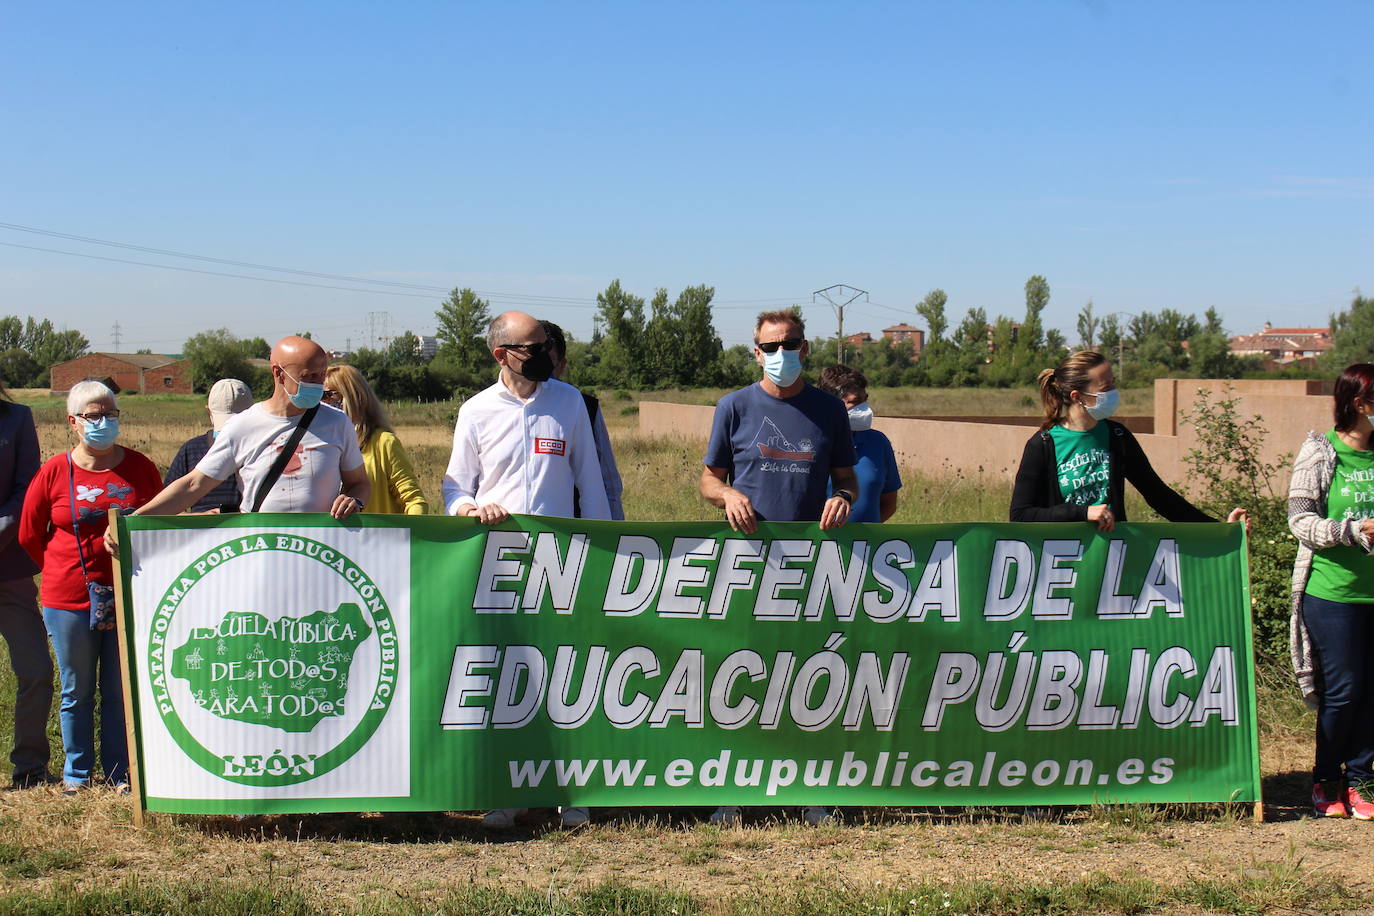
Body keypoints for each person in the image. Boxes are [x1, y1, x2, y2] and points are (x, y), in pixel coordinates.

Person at [442, 311, 609, 828]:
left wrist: (604, 548)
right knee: (508, 678)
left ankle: (574, 796)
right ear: (502, 355)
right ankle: (505, 794)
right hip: (500, 562)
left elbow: (591, 482)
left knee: (568, 676)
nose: (545, 354)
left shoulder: (570, 403)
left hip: (563, 561)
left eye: (545, 345)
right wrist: (467, 509)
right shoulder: (475, 411)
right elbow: (455, 486)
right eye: (531, 347)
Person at [700, 308, 858, 826]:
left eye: (789, 345)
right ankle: (733, 789)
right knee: (741, 675)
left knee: (810, 676)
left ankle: (814, 790)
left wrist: (845, 499)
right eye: (770, 347)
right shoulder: (734, 406)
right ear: (755, 350)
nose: (780, 356)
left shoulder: (829, 410)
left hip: (811, 566)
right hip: (745, 564)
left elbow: (847, 479)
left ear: (805, 349)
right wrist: (727, 496)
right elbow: (708, 480)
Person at [19, 380, 163, 792]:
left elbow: (161, 524)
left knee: (120, 689)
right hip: (68, 598)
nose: (102, 423)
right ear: (73, 422)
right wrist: (57, 568)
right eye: (93, 416)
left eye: (110, 415)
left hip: (129, 592)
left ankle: (121, 772)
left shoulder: (140, 468)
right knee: (76, 689)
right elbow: (31, 533)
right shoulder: (54, 471)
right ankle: (77, 774)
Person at [107, 336, 369, 534]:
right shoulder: (243, 425)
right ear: (279, 373)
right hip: (260, 550)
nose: (317, 383)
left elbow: (359, 482)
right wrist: (135, 521)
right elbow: (194, 485)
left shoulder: (337, 423)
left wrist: (354, 499)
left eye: (321, 375)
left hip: (323, 550)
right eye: (308, 376)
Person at [1010, 349, 1247, 531]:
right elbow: (1021, 515)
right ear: (1077, 396)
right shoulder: (1042, 444)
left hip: (1114, 562)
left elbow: (1159, 496)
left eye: (1114, 383)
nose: (1114, 392)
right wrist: (1082, 513)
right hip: (1061, 565)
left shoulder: (1117, 437)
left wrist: (1220, 530)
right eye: (1106, 387)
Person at [1288, 364, 1374, 819]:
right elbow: (1300, 520)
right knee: (1344, 690)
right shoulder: (1321, 450)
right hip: (1333, 593)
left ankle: (1363, 779)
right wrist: (1353, 529)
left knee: (1373, 690)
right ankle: (1326, 778)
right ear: (1360, 404)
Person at [0, 382, 54, 788]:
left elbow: (26, 489)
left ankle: (30, 767)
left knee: (35, 669)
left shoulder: (17, 419)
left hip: (9, 570)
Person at [539, 320, 624, 520]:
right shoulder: (492, 407)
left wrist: (615, 536)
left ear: (561, 365)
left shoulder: (585, 406)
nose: (540, 366)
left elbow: (608, 481)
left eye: (548, 359)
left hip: (573, 534)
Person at [324, 365, 429, 515]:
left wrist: (413, 533)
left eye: (329, 395)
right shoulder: (314, 443)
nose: (323, 403)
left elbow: (413, 500)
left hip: (374, 537)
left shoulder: (384, 443)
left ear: (353, 396)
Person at [816, 365, 901, 523]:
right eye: (856, 402)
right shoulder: (811, 443)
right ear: (831, 403)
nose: (866, 409)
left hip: (865, 545)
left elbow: (889, 504)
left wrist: (859, 536)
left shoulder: (879, 442)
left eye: (865, 400)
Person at [163, 378, 254, 512]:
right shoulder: (191, 450)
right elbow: (167, 503)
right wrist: (200, 518)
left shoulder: (266, 448)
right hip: (202, 531)